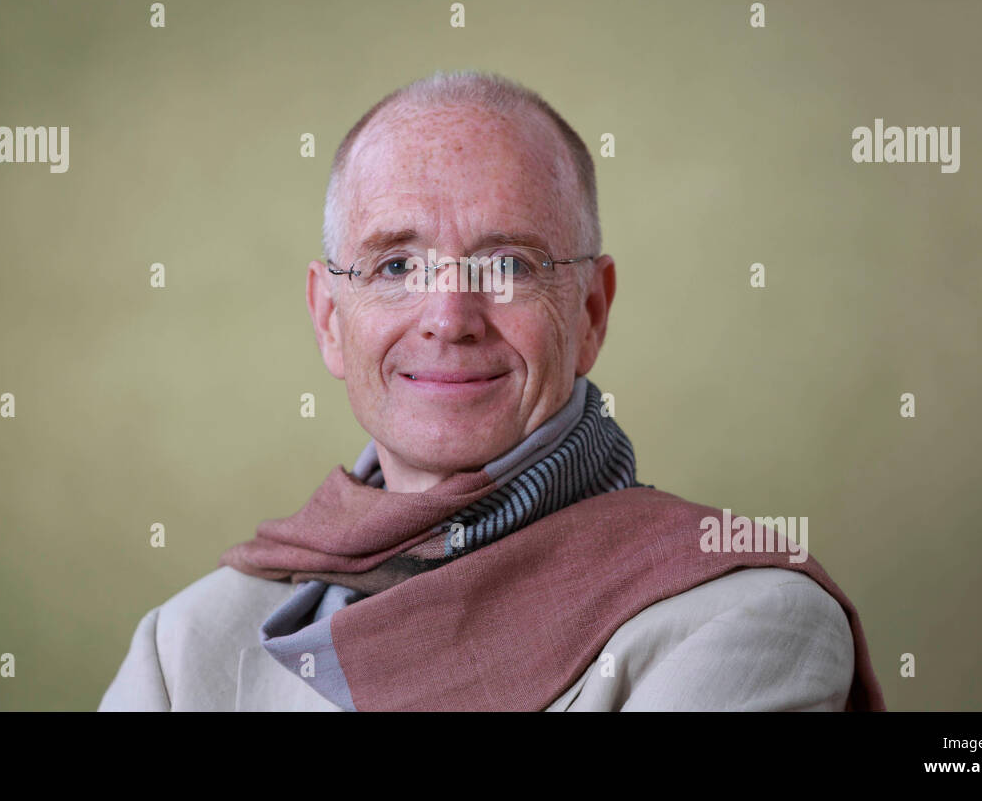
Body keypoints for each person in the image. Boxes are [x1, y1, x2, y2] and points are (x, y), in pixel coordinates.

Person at [99, 70, 885, 711]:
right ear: (330, 319)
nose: (449, 318)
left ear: (590, 313)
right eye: (396, 266)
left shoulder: (748, 623)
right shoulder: (185, 645)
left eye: (508, 264)